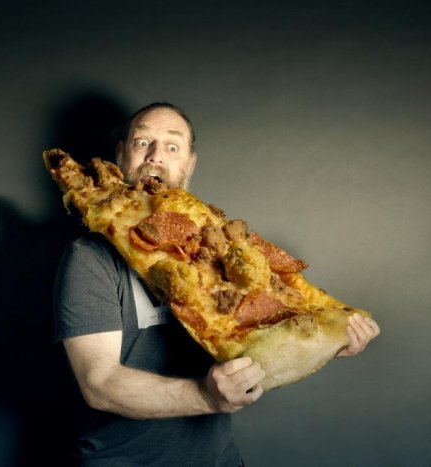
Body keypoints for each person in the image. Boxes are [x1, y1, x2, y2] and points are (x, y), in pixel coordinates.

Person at [53, 102, 381, 466]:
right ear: (120, 154)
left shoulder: (218, 239)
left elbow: (264, 342)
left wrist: (329, 340)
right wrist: (204, 397)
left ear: (190, 163)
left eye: (172, 146)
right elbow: (99, 384)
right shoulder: (90, 257)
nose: (156, 156)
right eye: (142, 142)